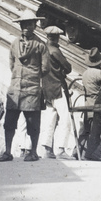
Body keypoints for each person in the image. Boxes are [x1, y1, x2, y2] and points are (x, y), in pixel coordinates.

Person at [0, 9, 49, 162]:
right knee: (9, 122)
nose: (27, 27)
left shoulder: (41, 45)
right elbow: (12, 64)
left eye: (30, 24)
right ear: (20, 26)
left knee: (33, 123)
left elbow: (45, 68)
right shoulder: (14, 44)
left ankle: (33, 152)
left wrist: (30, 76)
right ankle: (7, 152)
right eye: (24, 24)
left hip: (31, 90)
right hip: (15, 89)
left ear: (35, 25)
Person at [40, 25, 72, 159]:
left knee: (49, 119)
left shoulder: (42, 50)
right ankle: (60, 149)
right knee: (65, 119)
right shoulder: (55, 51)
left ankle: (46, 149)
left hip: (47, 89)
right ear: (57, 38)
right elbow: (68, 67)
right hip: (58, 88)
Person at [82, 47, 101, 161]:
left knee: (86, 130)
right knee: (95, 131)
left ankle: (78, 152)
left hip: (87, 104)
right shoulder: (99, 73)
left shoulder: (85, 72)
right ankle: (91, 153)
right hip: (96, 105)